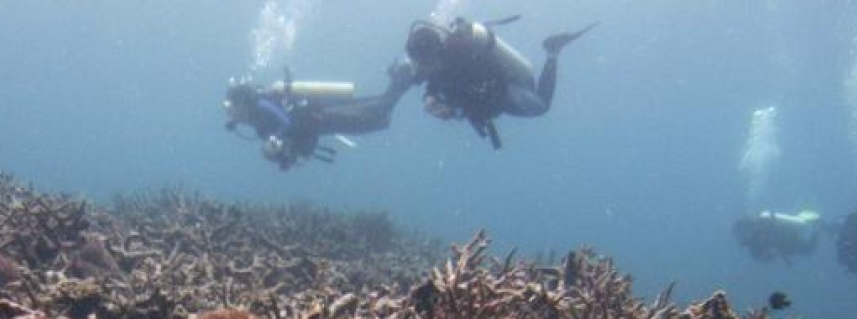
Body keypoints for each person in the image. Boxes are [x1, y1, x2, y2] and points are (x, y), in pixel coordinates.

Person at [404, 16, 597, 149]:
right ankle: (552, 52)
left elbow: (491, 85)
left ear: (432, 54)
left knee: (541, 106)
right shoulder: (436, 66)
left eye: (421, 61)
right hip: (494, 99)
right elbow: (435, 84)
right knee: (534, 101)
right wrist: (430, 98)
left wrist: (454, 110)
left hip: (506, 90)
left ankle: (552, 51)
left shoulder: (461, 53)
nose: (420, 67)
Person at [224, 62, 415, 170]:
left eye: (232, 108)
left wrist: (276, 138)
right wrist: (280, 154)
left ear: (241, 104)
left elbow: (286, 123)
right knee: (375, 115)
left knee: (378, 112)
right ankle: (404, 76)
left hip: (323, 116)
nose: (231, 115)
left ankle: (406, 73)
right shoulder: (257, 123)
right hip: (322, 122)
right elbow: (290, 142)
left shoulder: (261, 105)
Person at [732, 210, 823, 263]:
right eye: (740, 234)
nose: (742, 236)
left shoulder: (760, 230)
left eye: (742, 233)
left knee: (808, 250)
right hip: (787, 241)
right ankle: (815, 227)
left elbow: (764, 256)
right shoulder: (753, 242)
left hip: (788, 239)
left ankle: (816, 228)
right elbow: (761, 257)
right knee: (808, 249)